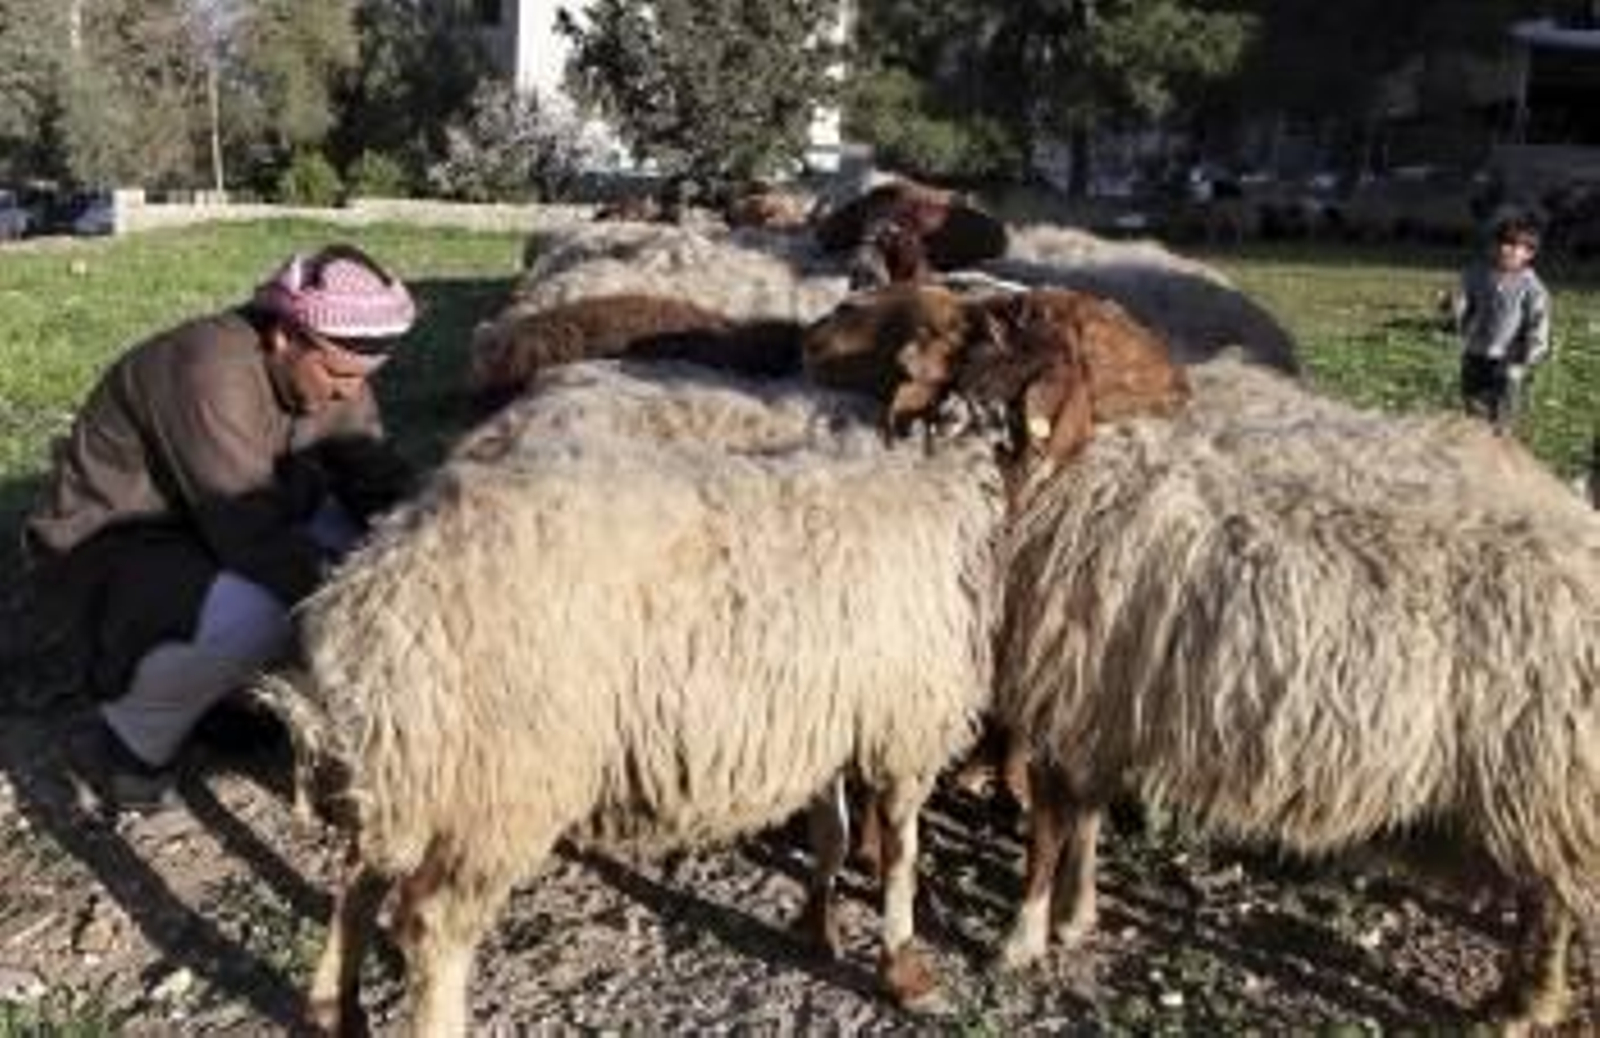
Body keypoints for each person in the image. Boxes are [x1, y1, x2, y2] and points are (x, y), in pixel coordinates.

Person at [23, 244, 419, 813]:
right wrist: (370, 611)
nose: (348, 392)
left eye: (363, 378)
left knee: (366, 544)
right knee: (268, 606)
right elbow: (254, 539)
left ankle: (217, 699)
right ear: (284, 335)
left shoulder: (333, 376)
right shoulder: (206, 372)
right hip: (111, 552)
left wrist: (434, 542)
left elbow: (377, 480)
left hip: (214, 530)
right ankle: (130, 744)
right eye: (337, 374)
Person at [1452, 212, 1553, 436]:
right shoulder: (1476, 274)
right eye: (1501, 242)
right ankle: (1475, 446)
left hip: (1509, 360)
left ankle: (1500, 449)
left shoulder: (1532, 288)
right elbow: (1463, 299)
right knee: (1474, 406)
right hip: (1475, 352)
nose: (1504, 249)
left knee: (1502, 415)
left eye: (1513, 245)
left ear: (1529, 253)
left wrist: (1527, 357)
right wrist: (1453, 307)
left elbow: (1539, 325)